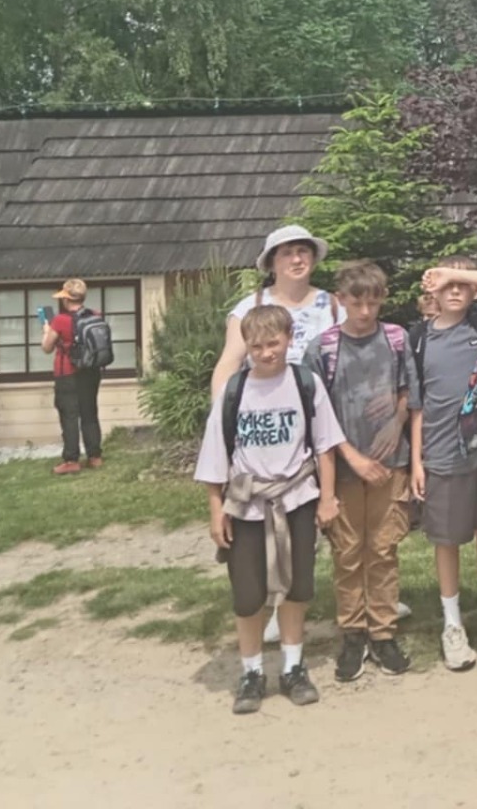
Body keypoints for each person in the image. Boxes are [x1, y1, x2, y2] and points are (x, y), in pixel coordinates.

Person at [195, 304, 342, 714]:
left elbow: (325, 445)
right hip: (247, 504)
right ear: (246, 346)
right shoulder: (235, 391)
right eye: (256, 346)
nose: (266, 353)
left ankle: (293, 667)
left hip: (297, 498)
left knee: (296, 588)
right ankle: (252, 671)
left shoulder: (305, 383)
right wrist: (216, 509)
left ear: (289, 338)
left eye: (273, 343)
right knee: (248, 594)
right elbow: (216, 455)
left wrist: (327, 498)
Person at [413, 255, 477, 670]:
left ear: (474, 288)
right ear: (432, 291)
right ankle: (452, 624)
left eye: (462, 284)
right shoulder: (420, 339)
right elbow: (417, 406)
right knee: (447, 540)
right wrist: (417, 461)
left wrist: (456, 273)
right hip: (441, 455)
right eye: (446, 285)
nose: (454, 290)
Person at [318, 260, 417, 682]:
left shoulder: (396, 339)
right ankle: (353, 633)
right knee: (347, 552)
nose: (364, 312)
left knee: (382, 549)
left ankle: (383, 632)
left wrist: (397, 424)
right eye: (356, 303)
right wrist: (351, 457)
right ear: (340, 300)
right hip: (342, 469)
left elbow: (409, 393)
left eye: (372, 303)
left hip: (390, 465)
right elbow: (318, 414)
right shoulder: (324, 347)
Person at [45, 279, 104, 475]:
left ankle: (71, 460)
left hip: (67, 373)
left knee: (69, 415)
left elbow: (47, 347)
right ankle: (95, 456)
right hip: (91, 371)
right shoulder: (95, 315)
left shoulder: (60, 320)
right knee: (89, 413)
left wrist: (46, 331)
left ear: (67, 299)